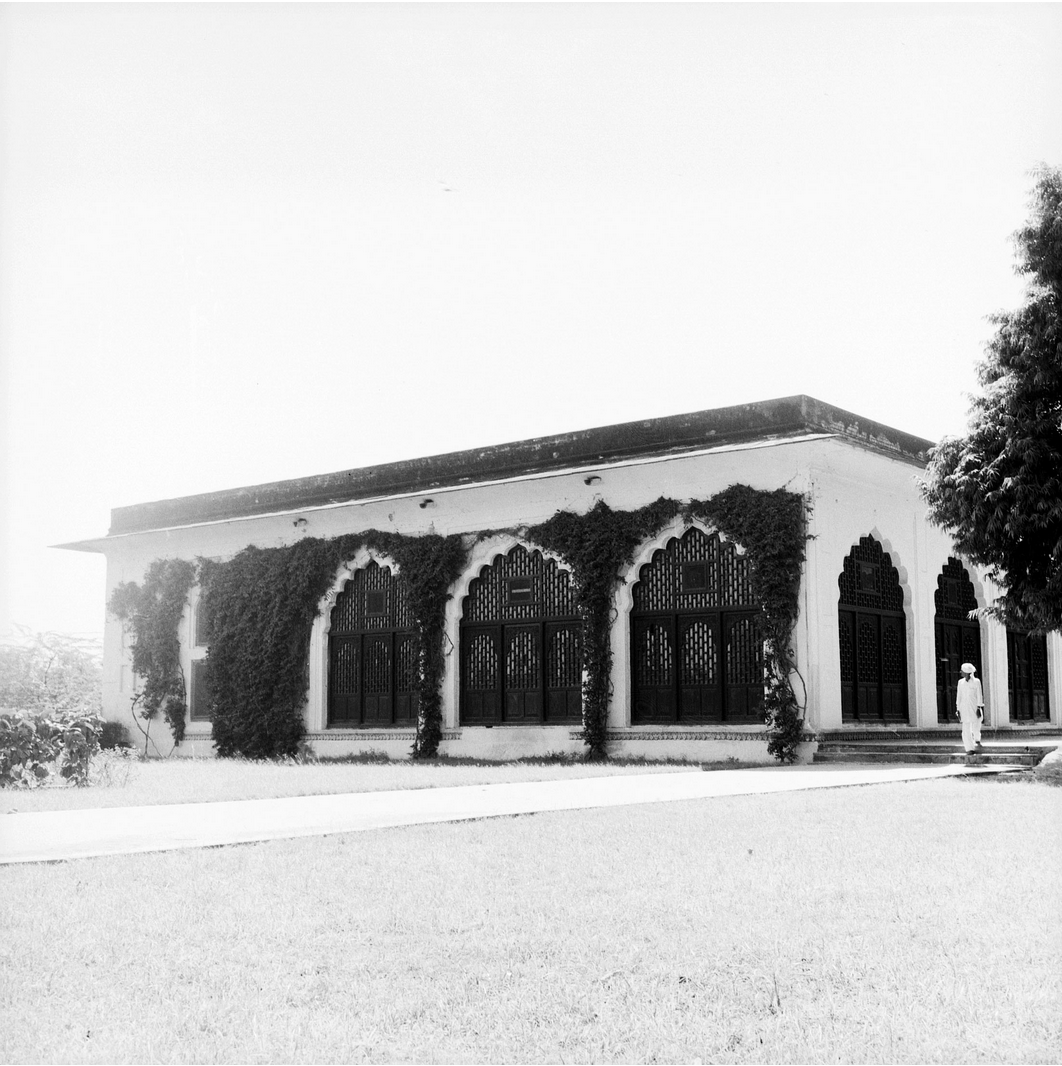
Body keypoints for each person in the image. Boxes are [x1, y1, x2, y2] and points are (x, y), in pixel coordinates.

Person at [955, 662, 985, 755]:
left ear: (967, 672)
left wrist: (979, 707)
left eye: (962, 671)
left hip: (974, 706)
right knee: (966, 728)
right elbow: (958, 696)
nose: (960, 672)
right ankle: (969, 748)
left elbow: (979, 695)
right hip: (964, 708)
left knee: (976, 724)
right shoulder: (960, 682)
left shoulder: (976, 682)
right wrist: (958, 709)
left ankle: (977, 739)